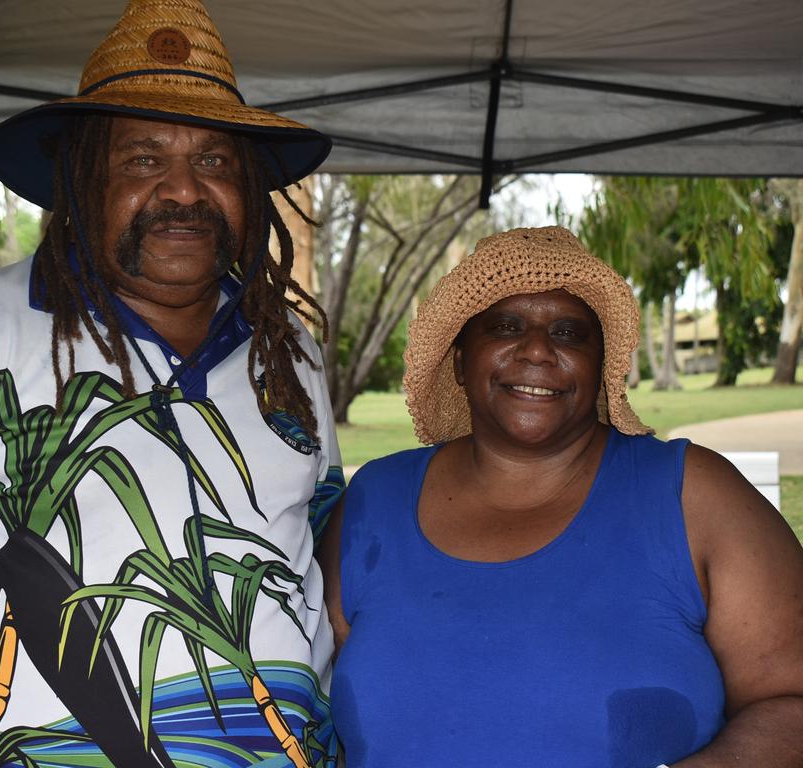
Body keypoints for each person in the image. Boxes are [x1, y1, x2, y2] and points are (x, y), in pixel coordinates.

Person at [0, 2, 344, 767]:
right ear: (79, 182)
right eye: (144, 159)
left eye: (215, 162)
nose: (185, 190)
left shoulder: (290, 352)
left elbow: (317, 552)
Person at [321, 226, 803, 767]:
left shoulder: (694, 495)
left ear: (600, 369)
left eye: (569, 333)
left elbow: (791, 702)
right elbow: (304, 701)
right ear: (460, 361)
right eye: (506, 327)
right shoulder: (374, 500)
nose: (537, 349)